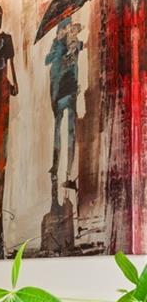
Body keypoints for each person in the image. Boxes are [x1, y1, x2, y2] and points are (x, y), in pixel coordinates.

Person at [0, 6, 18, 258]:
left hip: (3, 92)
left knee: (2, 146)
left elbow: (11, 63)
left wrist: (14, 82)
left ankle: (2, 220)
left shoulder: (5, 40)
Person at [46, 17, 84, 202]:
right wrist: (60, 47)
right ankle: (55, 165)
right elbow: (48, 61)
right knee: (58, 130)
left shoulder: (74, 43)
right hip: (59, 91)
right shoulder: (57, 46)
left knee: (70, 130)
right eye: (66, 27)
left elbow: (81, 48)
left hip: (71, 89)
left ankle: (69, 171)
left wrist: (74, 47)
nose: (68, 29)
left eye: (70, 26)